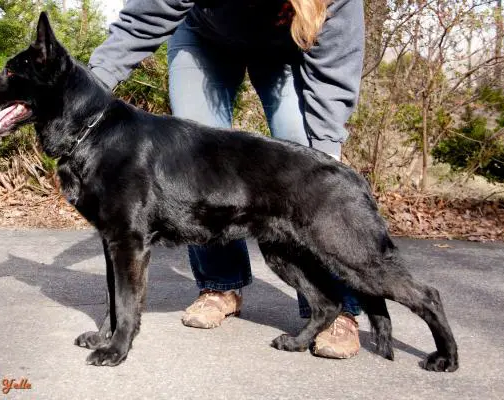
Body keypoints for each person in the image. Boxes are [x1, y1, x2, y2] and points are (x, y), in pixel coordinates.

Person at [89, 0, 364, 359]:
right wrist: (89, 83)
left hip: (288, 46)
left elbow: (337, 64)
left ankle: (337, 307)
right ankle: (220, 285)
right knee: (195, 162)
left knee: (302, 146)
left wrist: (325, 152)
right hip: (205, 39)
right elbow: (144, 19)